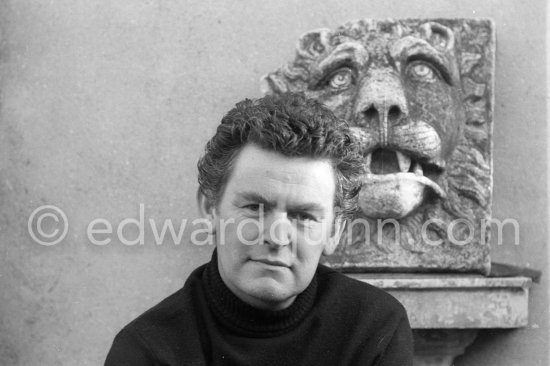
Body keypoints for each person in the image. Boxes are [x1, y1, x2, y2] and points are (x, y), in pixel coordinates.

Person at [104, 93, 413, 365]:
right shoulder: (146, 351)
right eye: (254, 208)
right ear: (211, 210)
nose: (277, 237)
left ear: (334, 231)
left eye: (303, 216)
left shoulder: (373, 328)